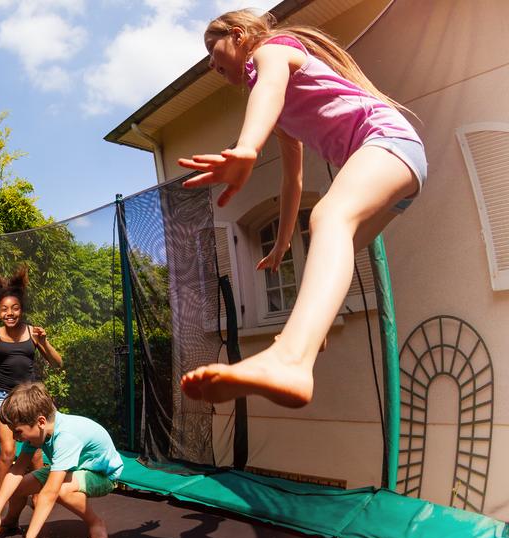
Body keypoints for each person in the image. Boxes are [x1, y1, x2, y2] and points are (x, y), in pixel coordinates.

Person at [178, 9, 426, 408]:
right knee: (326, 250)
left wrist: (246, 148)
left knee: (330, 216)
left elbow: (270, 87)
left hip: (390, 142)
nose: (211, 64)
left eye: (213, 49)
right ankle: (303, 341)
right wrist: (281, 243)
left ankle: (290, 358)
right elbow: (291, 180)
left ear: (239, 36)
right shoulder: (280, 110)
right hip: (399, 170)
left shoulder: (273, 51)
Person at [0, 266, 62, 527]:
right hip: (3, 396)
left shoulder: (33, 333)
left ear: (21, 309)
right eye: (4, 309)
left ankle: (35, 495)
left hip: (29, 400)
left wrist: (46, 341)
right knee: (8, 453)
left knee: (36, 457)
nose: (10, 313)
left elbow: (58, 363)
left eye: (15, 308)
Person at [0, 383, 123, 538]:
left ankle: (95, 522)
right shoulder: (39, 430)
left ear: (41, 421)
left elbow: (49, 493)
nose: (15, 437)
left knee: (61, 491)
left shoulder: (66, 437)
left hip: (103, 475)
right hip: (74, 467)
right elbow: (16, 471)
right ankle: (11, 521)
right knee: (18, 487)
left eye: (18, 432)